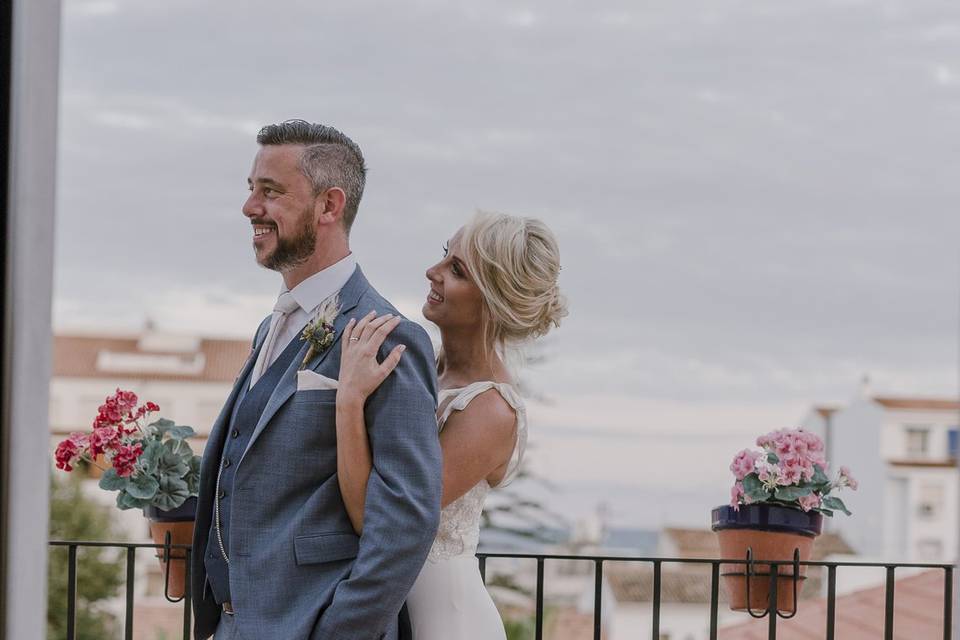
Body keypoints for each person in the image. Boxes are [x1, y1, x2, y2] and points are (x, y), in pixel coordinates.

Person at [190, 120, 443, 640]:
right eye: (250, 189)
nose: (249, 208)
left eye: (271, 192)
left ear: (329, 206)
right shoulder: (270, 328)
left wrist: (339, 632)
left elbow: (405, 522)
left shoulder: (388, 336)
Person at [335, 211, 567, 639]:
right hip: (391, 614)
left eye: (456, 270)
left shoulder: (491, 410)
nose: (432, 272)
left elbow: (377, 520)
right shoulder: (427, 371)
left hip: (445, 624)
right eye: (446, 255)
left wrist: (349, 401)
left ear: (493, 300)